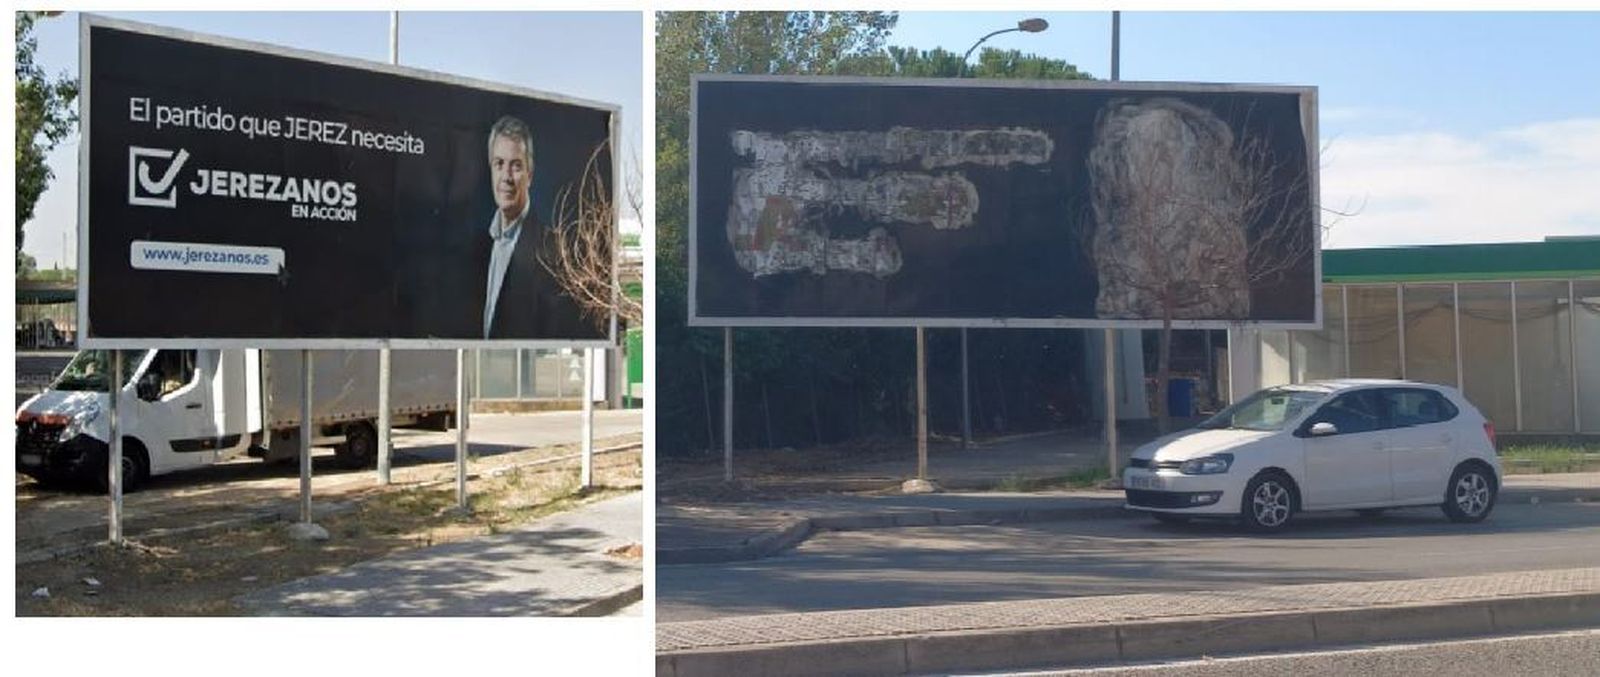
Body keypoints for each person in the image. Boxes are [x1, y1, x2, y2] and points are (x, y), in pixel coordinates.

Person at [480, 116, 595, 340]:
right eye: (499, 164)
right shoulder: (478, 248)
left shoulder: (554, 252)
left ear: (530, 176)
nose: (506, 177)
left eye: (516, 166)